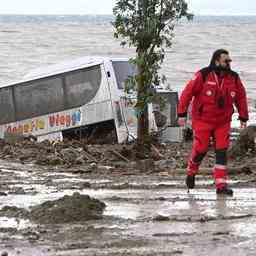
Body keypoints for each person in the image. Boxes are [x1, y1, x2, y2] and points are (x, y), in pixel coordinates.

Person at [178, 49, 249, 196]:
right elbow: (187, 93)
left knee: (222, 151)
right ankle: (191, 172)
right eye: (226, 61)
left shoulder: (234, 78)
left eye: (229, 61)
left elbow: (241, 97)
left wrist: (243, 117)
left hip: (222, 121)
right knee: (201, 149)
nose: (229, 63)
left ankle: (221, 185)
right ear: (217, 61)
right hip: (203, 120)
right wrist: (182, 114)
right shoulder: (203, 75)